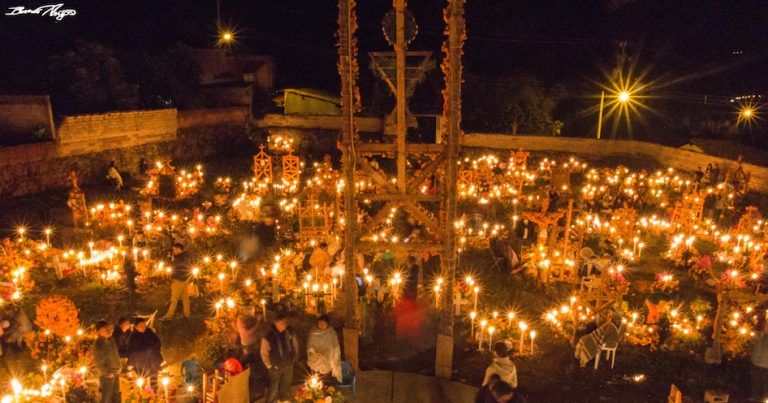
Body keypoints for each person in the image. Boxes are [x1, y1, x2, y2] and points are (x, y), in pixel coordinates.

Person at [261, 313, 299, 403]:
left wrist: (293, 357)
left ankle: (285, 400)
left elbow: (294, 344)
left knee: (286, 385)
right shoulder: (269, 336)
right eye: (282, 323)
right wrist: (269, 365)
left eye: (285, 323)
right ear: (276, 323)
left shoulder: (288, 332)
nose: (284, 325)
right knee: (273, 387)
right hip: (275, 366)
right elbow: (264, 351)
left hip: (288, 364)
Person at [128, 318, 163, 390]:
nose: (143, 327)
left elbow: (158, 342)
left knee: (154, 377)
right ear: (136, 327)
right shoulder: (133, 337)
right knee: (142, 380)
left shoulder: (149, 332)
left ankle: (154, 392)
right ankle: (143, 394)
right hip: (140, 363)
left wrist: (152, 349)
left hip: (153, 360)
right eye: (141, 326)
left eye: (144, 325)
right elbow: (132, 351)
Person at [306, 314, 342, 384]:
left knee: (325, 381)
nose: (321, 325)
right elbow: (309, 345)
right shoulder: (313, 332)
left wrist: (328, 355)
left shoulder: (331, 332)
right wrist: (314, 352)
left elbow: (334, 347)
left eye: (323, 324)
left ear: (327, 324)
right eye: (320, 323)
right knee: (315, 381)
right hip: (315, 360)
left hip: (327, 360)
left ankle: (327, 389)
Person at [92, 320, 122, 403]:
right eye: (105, 328)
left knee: (116, 394)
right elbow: (98, 362)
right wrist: (107, 373)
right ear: (99, 331)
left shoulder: (111, 339)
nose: (108, 330)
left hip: (116, 372)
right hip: (108, 375)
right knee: (107, 397)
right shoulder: (98, 344)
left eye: (108, 328)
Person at [162, 243, 191, 320]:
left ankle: (168, 316)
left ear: (178, 249)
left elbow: (177, 267)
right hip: (184, 279)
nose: (173, 251)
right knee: (185, 298)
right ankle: (187, 314)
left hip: (178, 279)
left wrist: (172, 274)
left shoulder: (180, 258)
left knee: (174, 299)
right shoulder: (185, 256)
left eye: (174, 250)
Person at [749, 314, 768, 401]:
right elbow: (752, 345)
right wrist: (751, 354)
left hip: (765, 365)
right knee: (755, 381)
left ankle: (763, 398)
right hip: (755, 362)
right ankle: (755, 397)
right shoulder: (757, 335)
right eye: (765, 325)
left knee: (764, 383)